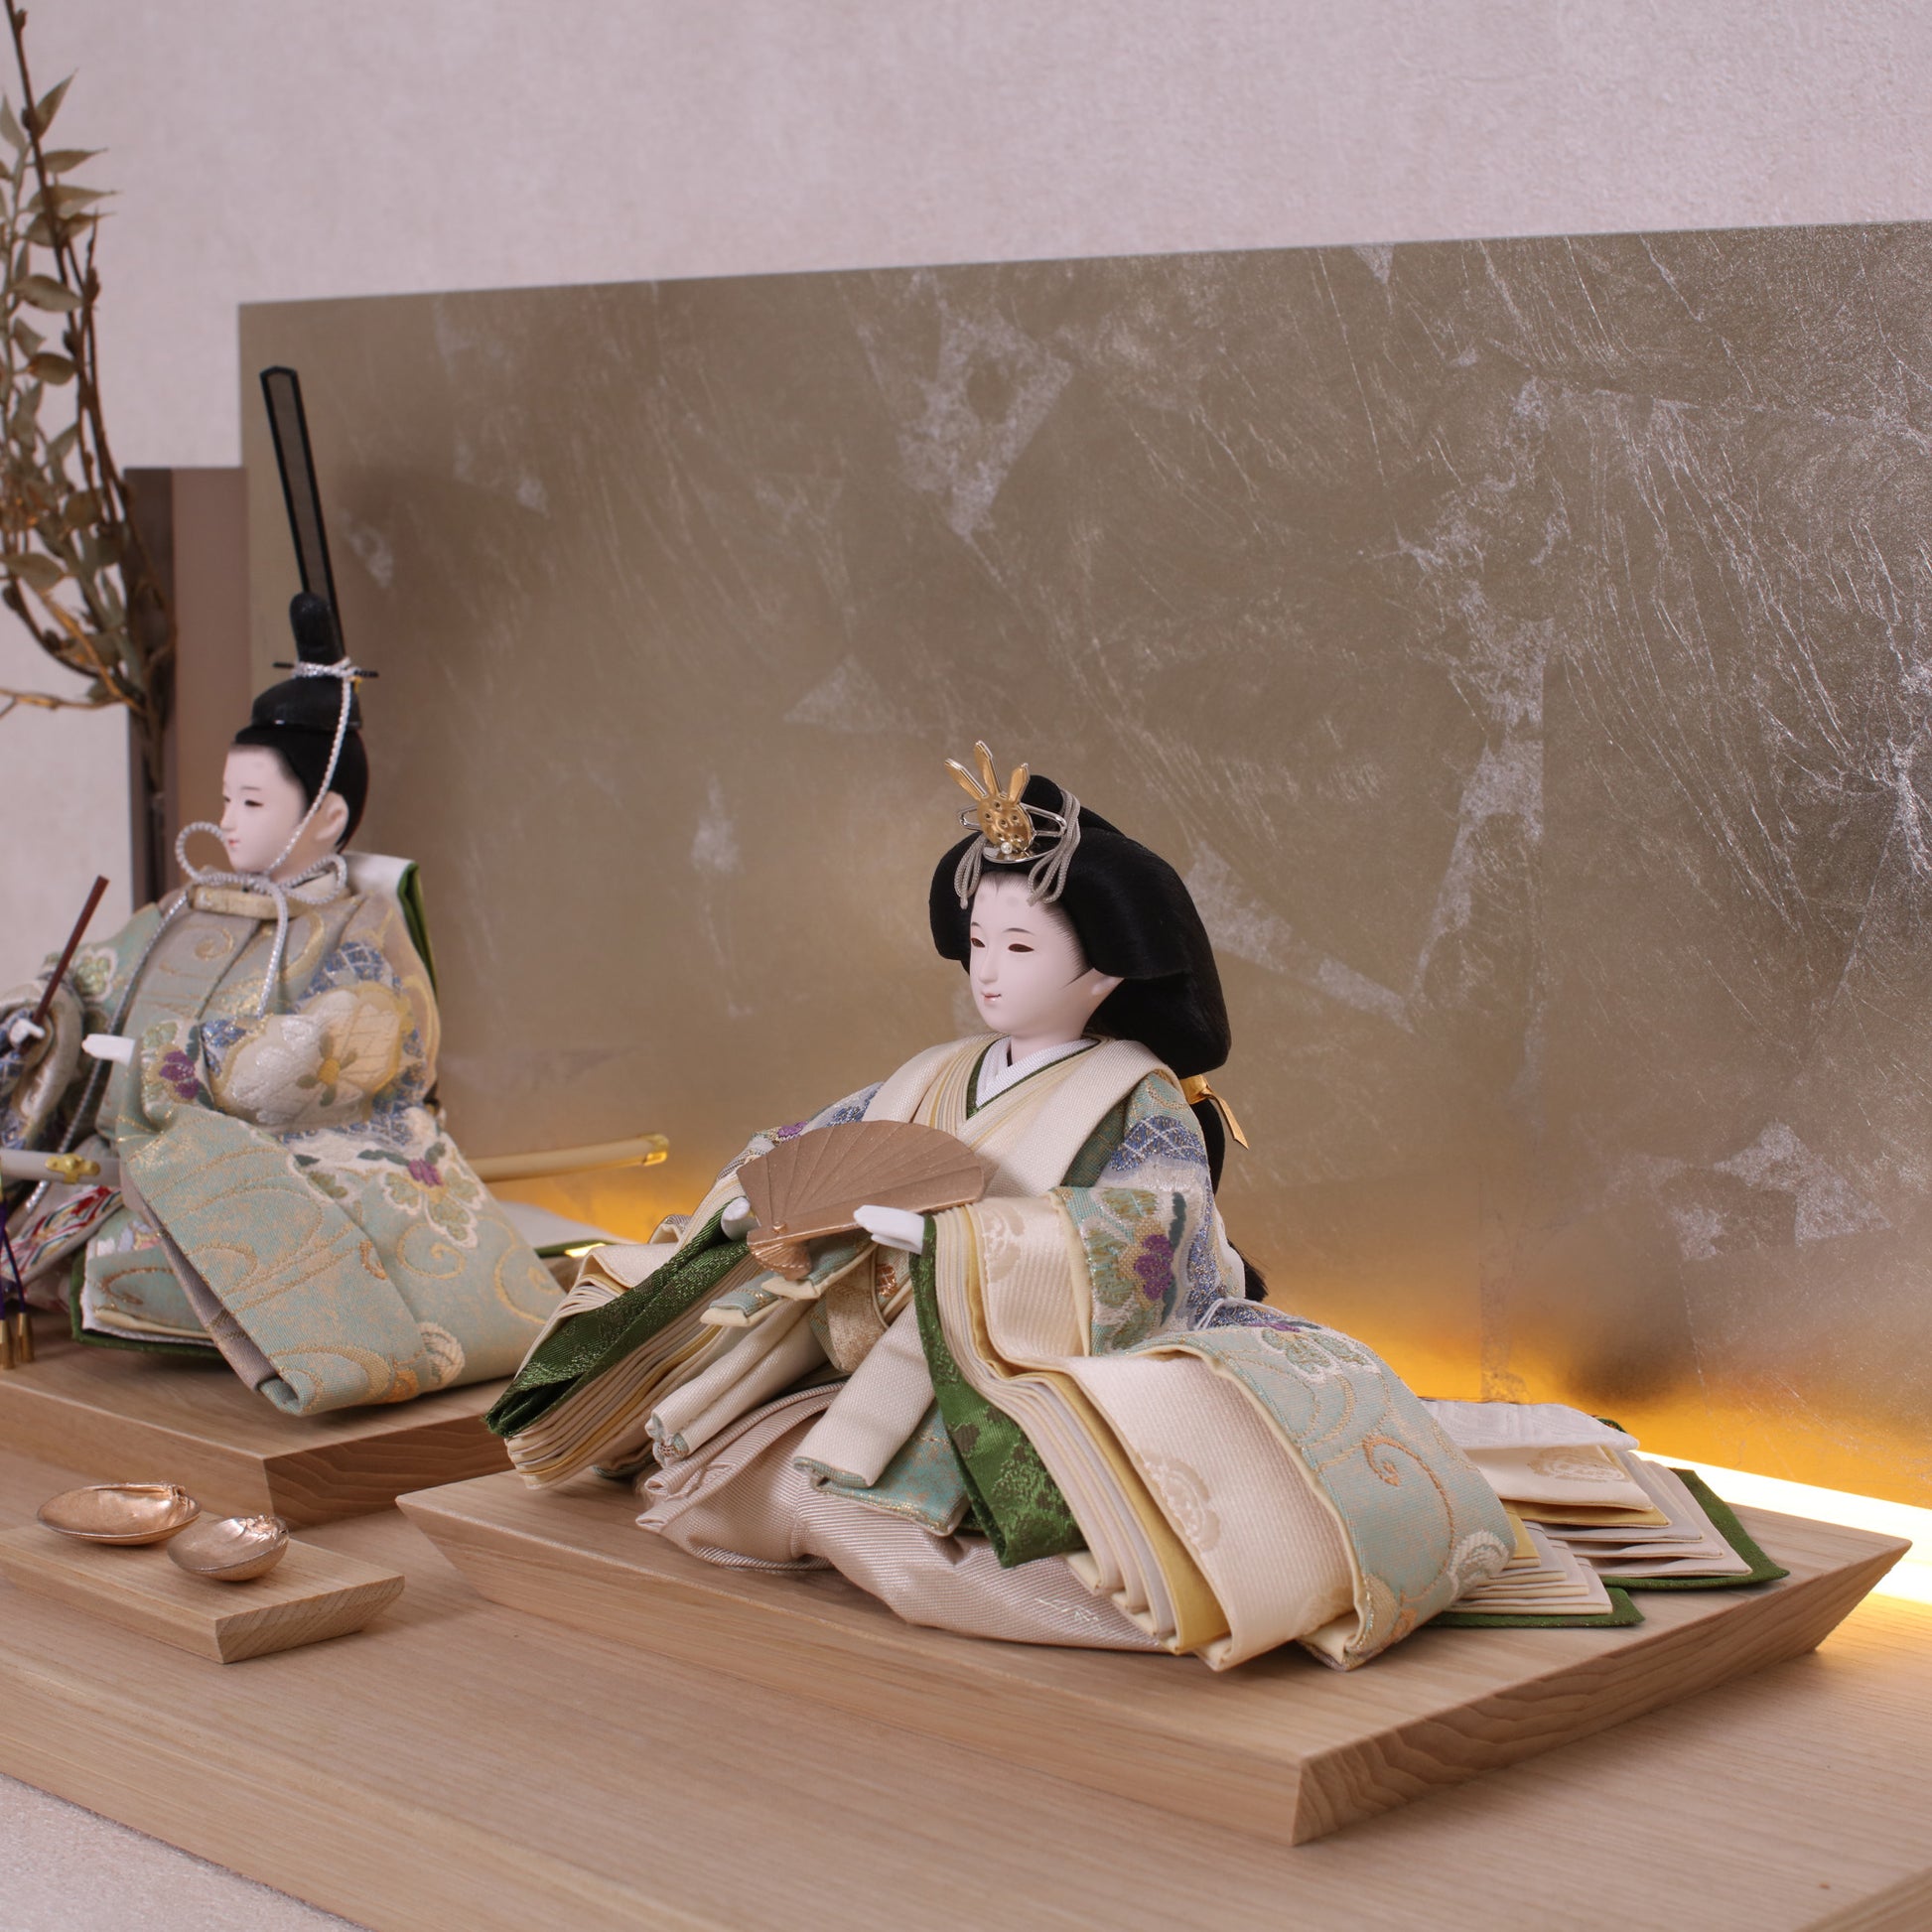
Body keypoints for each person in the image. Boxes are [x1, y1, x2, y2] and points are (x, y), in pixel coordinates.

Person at [488, 746, 1509, 1669]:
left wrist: (957, 1241)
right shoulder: (934, 1072)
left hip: (1021, 1356)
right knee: (720, 1456)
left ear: (1102, 970)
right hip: (879, 1334)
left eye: (1019, 948)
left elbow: (1152, 1233)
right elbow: (813, 1146)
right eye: (980, 941)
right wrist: (759, 1197)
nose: (986, 969)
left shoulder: (1136, 1094)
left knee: (1010, 1512)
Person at [0, 596, 559, 1415]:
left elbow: (358, 1042)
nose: (226, 822)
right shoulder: (183, 908)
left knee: (168, 1253)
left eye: (253, 804)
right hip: (114, 1162)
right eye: (227, 799)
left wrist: (176, 1060)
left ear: (326, 815)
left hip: (252, 1162)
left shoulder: (354, 926)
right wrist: (36, 1019)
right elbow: (86, 979)